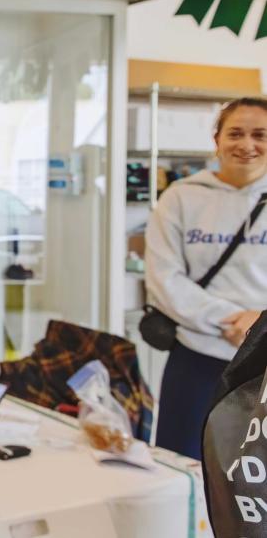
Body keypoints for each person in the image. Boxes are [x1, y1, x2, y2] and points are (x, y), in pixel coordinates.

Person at [146, 97, 267, 459]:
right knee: (181, 461)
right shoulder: (181, 197)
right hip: (198, 353)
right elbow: (164, 279)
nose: (247, 145)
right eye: (235, 133)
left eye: (260, 134)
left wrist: (259, 326)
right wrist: (235, 321)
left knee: (252, 476)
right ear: (216, 141)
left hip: (262, 358)